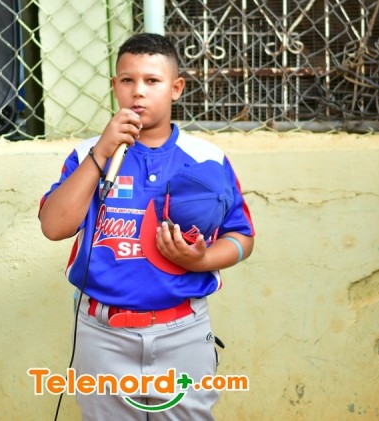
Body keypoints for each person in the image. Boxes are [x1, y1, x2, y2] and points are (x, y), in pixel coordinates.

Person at [39, 32, 255, 419]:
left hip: (183, 329)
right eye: (128, 80)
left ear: (176, 88)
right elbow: (54, 227)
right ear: (114, 86)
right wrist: (101, 153)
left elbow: (242, 236)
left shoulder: (206, 158)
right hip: (102, 331)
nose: (138, 91)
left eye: (152, 81)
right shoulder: (88, 153)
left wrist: (202, 260)